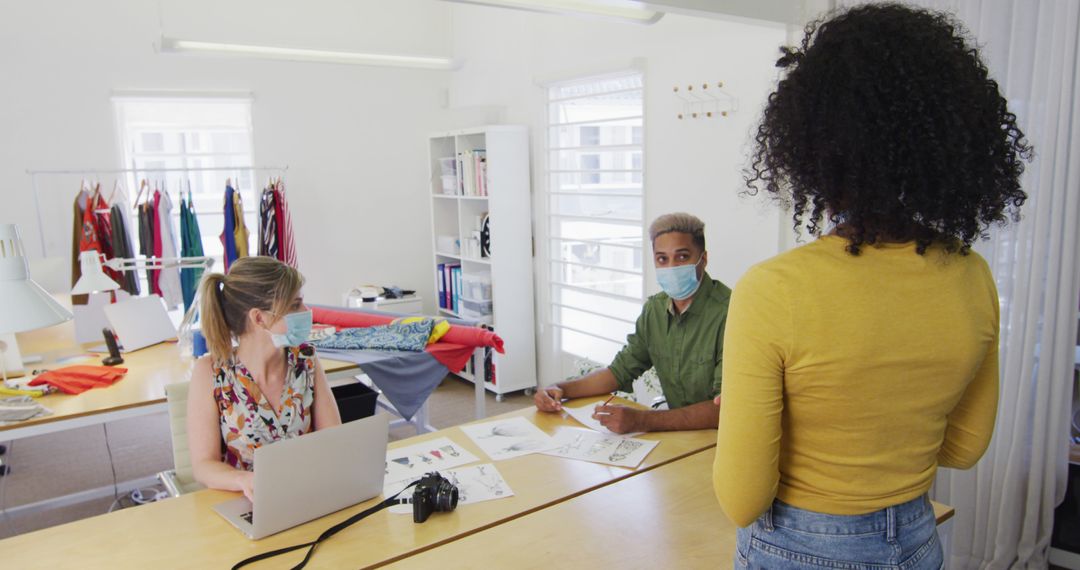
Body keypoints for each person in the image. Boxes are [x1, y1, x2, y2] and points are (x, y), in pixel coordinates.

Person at [713, 4, 1030, 568]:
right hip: (916, 537)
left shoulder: (773, 290)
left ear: (810, 143)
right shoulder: (972, 274)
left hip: (797, 547)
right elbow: (963, 447)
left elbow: (742, 498)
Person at [534, 212, 730, 434]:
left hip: (721, 441)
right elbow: (619, 372)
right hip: (677, 438)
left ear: (702, 259)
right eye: (662, 259)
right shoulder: (654, 311)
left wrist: (643, 421)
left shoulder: (730, 314)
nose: (671, 267)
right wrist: (560, 387)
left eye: (682, 257)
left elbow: (725, 409)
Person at [188, 256, 341, 500]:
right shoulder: (210, 372)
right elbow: (203, 465)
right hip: (248, 502)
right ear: (259, 318)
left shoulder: (306, 359)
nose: (307, 312)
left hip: (309, 493)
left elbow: (334, 440)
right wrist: (243, 480)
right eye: (295, 305)